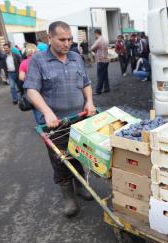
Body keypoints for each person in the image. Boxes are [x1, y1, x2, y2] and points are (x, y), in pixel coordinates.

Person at [24, 21, 96, 217]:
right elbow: (31, 90)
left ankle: (81, 186)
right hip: (54, 124)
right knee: (61, 158)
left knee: (80, 154)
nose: (67, 43)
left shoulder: (75, 57)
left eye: (70, 39)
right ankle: (69, 197)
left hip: (79, 119)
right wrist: (47, 112)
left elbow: (86, 83)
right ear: (50, 38)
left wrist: (89, 101)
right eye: (62, 39)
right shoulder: (38, 60)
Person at [18, 43, 42, 124]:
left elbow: (21, 77)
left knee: (36, 106)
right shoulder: (41, 61)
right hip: (43, 88)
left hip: (31, 90)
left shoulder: (23, 63)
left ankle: (41, 125)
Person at [90, 29, 110, 95]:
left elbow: (91, 48)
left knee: (100, 76)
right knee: (105, 75)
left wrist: (95, 52)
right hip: (106, 59)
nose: (94, 35)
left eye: (94, 34)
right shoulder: (105, 39)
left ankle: (98, 90)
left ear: (96, 33)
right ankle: (107, 88)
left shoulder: (98, 41)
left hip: (101, 60)